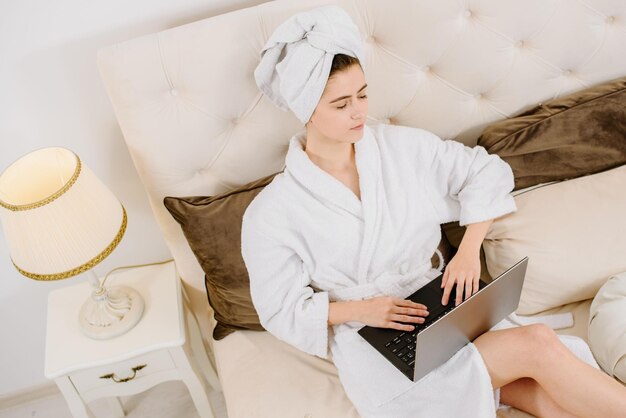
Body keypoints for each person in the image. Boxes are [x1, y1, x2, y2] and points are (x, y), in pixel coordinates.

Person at [242, 5, 626, 418]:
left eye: (363, 94)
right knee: (537, 345)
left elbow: (484, 173)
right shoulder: (272, 213)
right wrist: (363, 310)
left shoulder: (398, 149)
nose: (359, 112)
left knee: (534, 388)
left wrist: (466, 252)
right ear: (307, 110)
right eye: (340, 104)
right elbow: (280, 310)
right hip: (372, 342)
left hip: (440, 305)